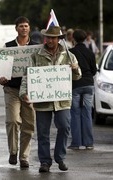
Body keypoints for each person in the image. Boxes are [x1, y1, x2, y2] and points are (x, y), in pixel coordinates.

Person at [19, 25, 82, 173]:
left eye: (53, 38)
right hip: (43, 101)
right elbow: (27, 76)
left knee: (65, 126)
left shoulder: (69, 55)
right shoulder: (36, 55)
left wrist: (75, 69)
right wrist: (24, 93)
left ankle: (60, 157)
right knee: (42, 132)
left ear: (59, 39)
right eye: (47, 37)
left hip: (62, 101)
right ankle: (45, 162)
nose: (49, 40)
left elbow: (77, 76)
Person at [0, 16, 36, 169]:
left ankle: (24, 156)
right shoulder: (8, 47)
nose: (24, 28)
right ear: (16, 28)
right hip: (12, 90)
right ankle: (13, 151)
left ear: (29, 28)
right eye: (21, 26)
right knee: (13, 120)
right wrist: (0, 79)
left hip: (29, 91)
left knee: (29, 124)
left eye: (26, 26)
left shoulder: (35, 47)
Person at [68, 29, 97, 150]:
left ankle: (76, 143)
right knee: (87, 112)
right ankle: (88, 142)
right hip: (89, 85)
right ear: (85, 38)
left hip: (75, 85)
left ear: (73, 39)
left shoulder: (70, 52)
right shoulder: (90, 52)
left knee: (75, 113)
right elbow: (94, 70)